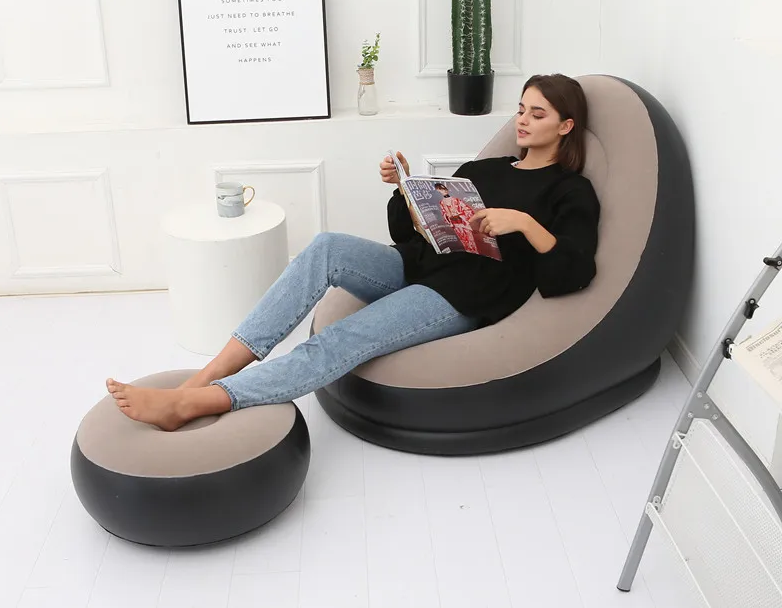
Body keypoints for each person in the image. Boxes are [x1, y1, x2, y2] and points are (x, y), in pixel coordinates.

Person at [106, 73, 601, 431]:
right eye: (521, 109)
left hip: (463, 296)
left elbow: (573, 272)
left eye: (538, 114)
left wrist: (524, 223)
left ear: (565, 126)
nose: (522, 121)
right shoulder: (487, 169)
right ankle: (212, 372)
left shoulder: (569, 190)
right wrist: (405, 190)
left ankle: (199, 403)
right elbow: (417, 234)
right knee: (326, 246)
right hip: (422, 265)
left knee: (340, 336)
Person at [435, 182, 480, 254]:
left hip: (463, 224)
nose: (444, 190)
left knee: (471, 241)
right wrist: (448, 216)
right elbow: (444, 214)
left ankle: (475, 254)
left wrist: (460, 215)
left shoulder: (456, 200)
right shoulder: (442, 203)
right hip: (455, 226)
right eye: (441, 189)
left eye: (445, 188)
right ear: (438, 191)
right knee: (463, 242)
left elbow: (468, 210)